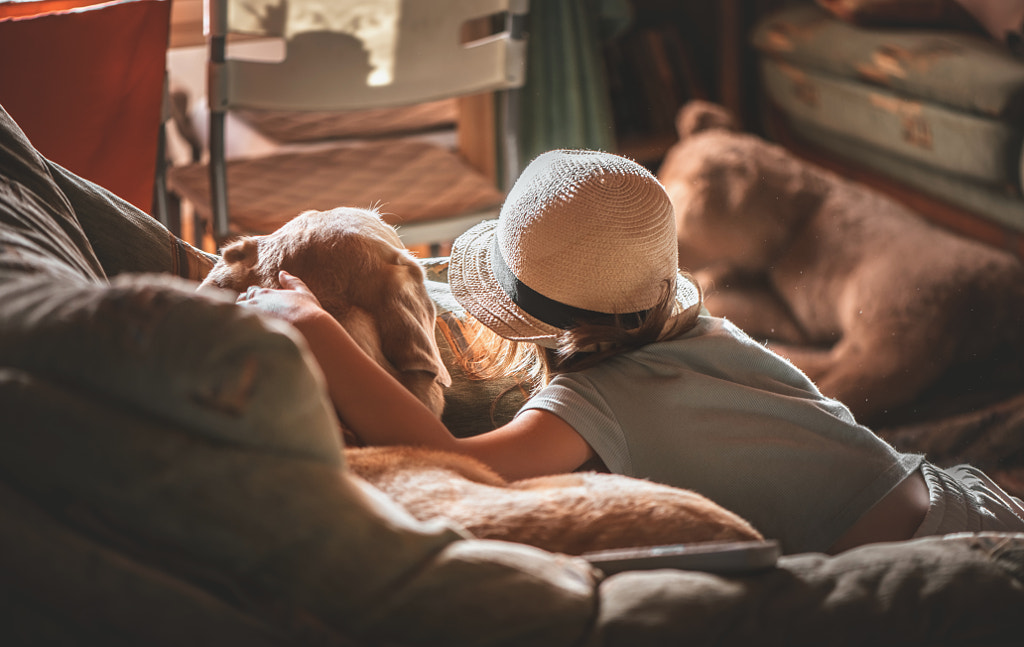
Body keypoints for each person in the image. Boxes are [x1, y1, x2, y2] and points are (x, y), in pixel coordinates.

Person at [239, 149, 1024, 555]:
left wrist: (312, 324)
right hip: (963, 495)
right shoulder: (703, 328)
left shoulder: (597, 402)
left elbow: (446, 455)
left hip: (934, 555)